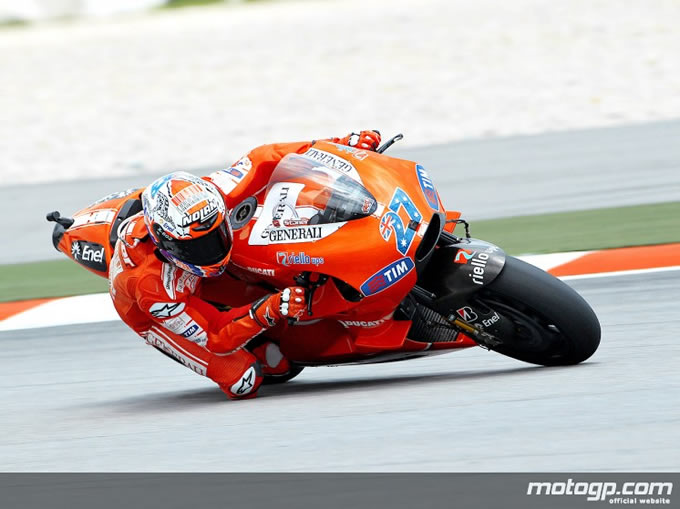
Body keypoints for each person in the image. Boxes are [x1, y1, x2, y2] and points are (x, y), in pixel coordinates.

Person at [108, 130, 382, 399]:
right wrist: (271, 309)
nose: (210, 251)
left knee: (263, 275)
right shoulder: (153, 289)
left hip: (197, 276)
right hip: (157, 312)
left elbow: (266, 156)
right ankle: (252, 342)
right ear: (165, 242)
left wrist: (341, 145)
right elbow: (216, 335)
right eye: (195, 246)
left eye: (215, 235)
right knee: (243, 379)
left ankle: (251, 319)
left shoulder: (213, 196)